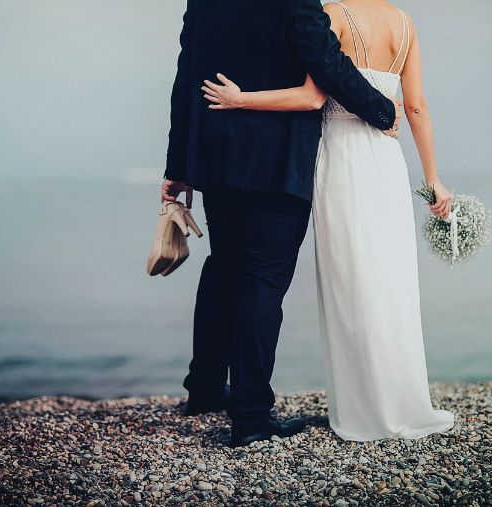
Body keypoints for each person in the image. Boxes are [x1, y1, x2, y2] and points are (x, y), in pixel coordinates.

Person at [200, 0, 456, 441]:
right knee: (389, 276)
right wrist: (434, 180)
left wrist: (240, 99)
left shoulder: (331, 15)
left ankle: (360, 405)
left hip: (338, 158)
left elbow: (312, 96)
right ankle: (400, 398)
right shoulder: (404, 23)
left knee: (347, 279)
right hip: (386, 160)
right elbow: (415, 106)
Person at [161, 0, 403, 447]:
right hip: (275, 160)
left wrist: (176, 166)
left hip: (215, 154)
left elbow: (185, 76)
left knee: (224, 267)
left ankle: (206, 389)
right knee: (262, 282)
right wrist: (382, 110)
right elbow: (324, 59)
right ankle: (252, 417)